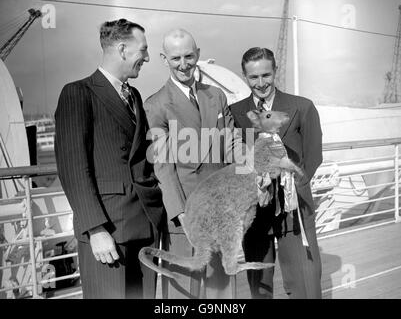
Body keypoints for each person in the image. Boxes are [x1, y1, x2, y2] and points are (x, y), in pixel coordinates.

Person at [54, 19, 166, 299]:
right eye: (144, 49)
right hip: (109, 233)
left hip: (145, 227)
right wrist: (95, 230)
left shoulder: (134, 95)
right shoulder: (78, 93)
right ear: (122, 49)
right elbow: (73, 168)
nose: (148, 57)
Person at [145, 29, 244, 299]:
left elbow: (233, 142)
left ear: (198, 54)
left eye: (189, 56)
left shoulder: (217, 96)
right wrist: (180, 213)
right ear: (164, 59)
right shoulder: (156, 105)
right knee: (182, 288)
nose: (183, 64)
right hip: (185, 212)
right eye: (175, 58)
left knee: (221, 286)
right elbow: (162, 166)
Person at [230, 47, 323, 299]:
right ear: (245, 76)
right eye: (253, 77)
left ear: (275, 71)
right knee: (259, 287)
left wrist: (290, 184)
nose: (261, 83)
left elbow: (313, 155)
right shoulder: (235, 114)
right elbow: (235, 158)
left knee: (306, 283)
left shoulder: (302, 107)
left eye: (266, 75)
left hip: (294, 210)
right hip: (255, 210)